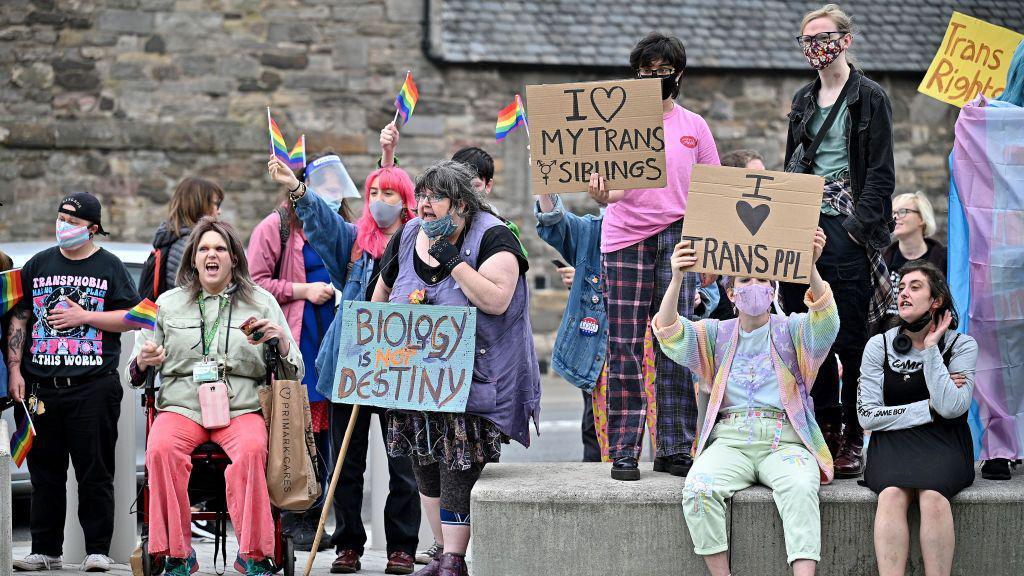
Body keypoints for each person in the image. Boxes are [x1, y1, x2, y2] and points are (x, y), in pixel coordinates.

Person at [371, 160, 541, 576]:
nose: (425, 206)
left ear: (462, 205)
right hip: (414, 381)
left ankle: (454, 559)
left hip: (471, 379)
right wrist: (373, 337)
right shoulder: (409, 233)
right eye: (422, 196)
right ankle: (441, 552)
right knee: (423, 465)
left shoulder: (494, 236)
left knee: (456, 462)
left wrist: (455, 263)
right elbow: (383, 292)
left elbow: (497, 299)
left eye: (436, 198)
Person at [267, 154, 422, 574]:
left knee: (402, 464)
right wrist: (298, 191)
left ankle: (402, 546)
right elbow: (321, 221)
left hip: (399, 369)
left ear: (405, 198)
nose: (378, 199)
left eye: (388, 191)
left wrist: (389, 155)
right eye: (372, 191)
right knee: (344, 464)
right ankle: (348, 543)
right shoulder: (354, 243)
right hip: (350, 364)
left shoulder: (419, 243)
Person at [652, 228, 837, 576]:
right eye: (745, 279)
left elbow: (827, 322)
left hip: (785, 440)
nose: (754, 285)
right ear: (731, 292)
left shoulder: (795, 330)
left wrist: (811, 266)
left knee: (800, 487)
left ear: (773, 289)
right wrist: (677, 277)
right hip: (731, 441)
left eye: (762, 279)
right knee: (698, 489)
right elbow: (667, 331)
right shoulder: (715, 333)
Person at [126, 217, 302, 576]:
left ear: (234, 258)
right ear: (193, 259)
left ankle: (253, 554)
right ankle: (176, 553)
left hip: (241, 405)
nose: (212, 255)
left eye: (220, 248)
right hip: (182, 403)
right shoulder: (167, 303)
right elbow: (136, 366)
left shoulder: (262, 301)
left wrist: (280, 342)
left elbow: (294, 369)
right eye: (204, 248)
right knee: (160, 449)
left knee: (253, 450)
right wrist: (143, 361)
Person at [589, 31, 720, 480]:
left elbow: (711, 188)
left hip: (678, 237)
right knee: (623, 346)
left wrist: (708, 255)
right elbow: (617, 186)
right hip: (624, 237)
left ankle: (674, 447)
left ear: (678, 75)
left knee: (675, 343)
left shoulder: (694, 126)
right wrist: (603, 194)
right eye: (645, 72)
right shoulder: (618, 124)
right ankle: (624, 448)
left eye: (662, 71)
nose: (654, 78)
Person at [778, 3, 895, 479]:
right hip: (802, 223)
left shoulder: (869, 98)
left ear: (845, 39)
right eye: (807, 40)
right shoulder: (804, 99)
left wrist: (852, 231)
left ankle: (851, 433)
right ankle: (823, 426)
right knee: (808, 330)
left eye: (822, 37)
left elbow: (881, 175)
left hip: (845, 225)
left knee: (848, 335)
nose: (815, 47)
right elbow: (792, 163)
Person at [7, 192, 140, 572]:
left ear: (93, 228)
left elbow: (136, 317)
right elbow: (19, 317)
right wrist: (15, 368)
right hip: (41, 387)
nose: (63, 224)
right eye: (60, 216)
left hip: (93, 385)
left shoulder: (110, 266)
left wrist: (86, 317)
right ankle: (45, 549)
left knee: (94, 471)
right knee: (44, 473)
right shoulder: (38, 264)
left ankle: (97, 549)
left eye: (72, 220)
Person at [858, 261, 977, 576]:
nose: (903, 295)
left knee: (933, 496)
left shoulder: (962, 345)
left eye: (914, 287)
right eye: (901, 289)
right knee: (892, 494)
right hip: (892, 443)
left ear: (935, 300)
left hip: (944, 442)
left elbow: (952, 408)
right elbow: (867, 415)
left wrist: (932, 349)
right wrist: (927, 409)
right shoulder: (878, 345)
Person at [144, 177, 224, 299]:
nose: (219, 211)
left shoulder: (174, 238)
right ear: (200, 205)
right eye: (217, 204)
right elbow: (192, 296)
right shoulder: (188, 244)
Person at [882, 192, 946, 322]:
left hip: (930, 333)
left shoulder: (944, 260)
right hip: (886, 337)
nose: (895, 217)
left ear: (922, 218)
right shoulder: (881, 259)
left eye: (902, 211)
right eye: (892, 213)